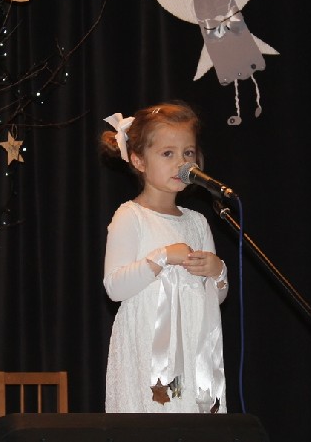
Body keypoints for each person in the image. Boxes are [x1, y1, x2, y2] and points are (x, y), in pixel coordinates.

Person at [101, 102, 228, 413]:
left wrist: (217, 272)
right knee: (155, 419)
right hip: (148, 351)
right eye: (168, 153)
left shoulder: (197, 222)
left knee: (188, 419)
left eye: (188, 153)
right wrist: (162, 257)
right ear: (139, 160)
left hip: (192, 346)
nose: (181, 163)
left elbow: (216, 297)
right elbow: (114, 287)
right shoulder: (130, 216)